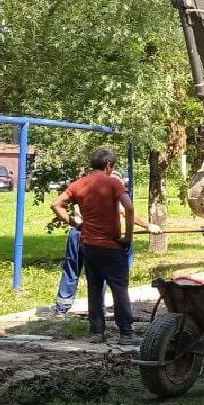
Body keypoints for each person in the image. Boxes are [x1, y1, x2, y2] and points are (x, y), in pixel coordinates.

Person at [51, 147, 136, 344]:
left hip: (88, 245)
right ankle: (126, 333)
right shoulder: (113, 183)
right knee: (119, 288)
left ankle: (97, 332)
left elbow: (56, 204)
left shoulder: (79, 184)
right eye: (113, 165)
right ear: (108, 165)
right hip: (112, 246)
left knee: (95, 288)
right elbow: (129, 208)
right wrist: (128, 237)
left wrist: (75, 223)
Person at [52, 169, 160, 316]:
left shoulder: (87, 187)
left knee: (74, 270)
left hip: (78, 232)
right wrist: (148, 226)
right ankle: (101, 312)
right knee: (99, 274)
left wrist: (75, 223)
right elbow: (127, 211)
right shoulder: (108, 191)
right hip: (92, 237)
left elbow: (57, 205)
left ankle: (62, 309)